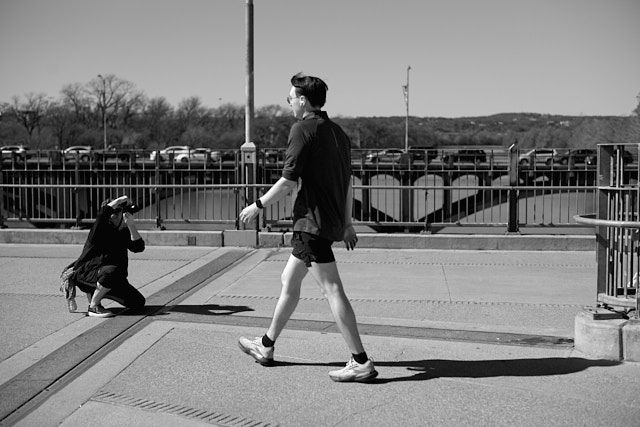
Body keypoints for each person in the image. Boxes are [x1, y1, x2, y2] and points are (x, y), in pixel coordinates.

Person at [237, 73, 377, 383]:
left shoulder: (301, 130)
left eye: (290, 99)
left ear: (302, 100)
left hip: (310, 223)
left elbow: (288, 181)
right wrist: (348, 223)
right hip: (324, 223)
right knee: (289, 280)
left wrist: (256, 206)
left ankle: (361, 361)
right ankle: (266, 345)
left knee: (332, 289)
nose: (289, 104)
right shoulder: (339, 134)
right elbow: (348, 184)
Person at [63, 195, 146, 318]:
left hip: (113, 276)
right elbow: (103, 213)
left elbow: (138, 248)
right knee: (112, 271)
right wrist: (120, 200)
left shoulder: (123, 231)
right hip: (87, 273)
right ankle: (94, 306)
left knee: (138, 302)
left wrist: (131, 225)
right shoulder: (100, 229)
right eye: (122, 212)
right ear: (113, 215)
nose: (125, 215)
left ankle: (99, 291)